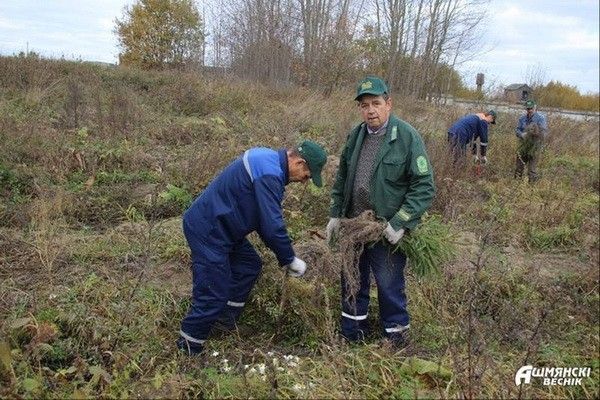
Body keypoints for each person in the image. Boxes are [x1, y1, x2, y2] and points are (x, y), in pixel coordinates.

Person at [177, 140, 328, 355]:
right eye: (307, 175)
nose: (305, 181)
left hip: (225, 228)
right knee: (212, 292)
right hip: (209, 229)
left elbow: (261, 218)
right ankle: (188, 349)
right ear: (299, 162)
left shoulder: (268, 160)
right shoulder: (269, 173)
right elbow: (272, 225)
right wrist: (289, 259)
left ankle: (223, 322)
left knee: (249, 265)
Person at [325, 76, 435, 349]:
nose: (370, 110)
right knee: (352, 281)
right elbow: (342, 178)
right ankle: (352, 334)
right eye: (364, 105)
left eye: (376, 103)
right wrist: (336, 214)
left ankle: (396, 339)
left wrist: (401, 222)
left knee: (389, 284)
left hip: (385, 230)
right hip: (354, 226)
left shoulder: (407, 137)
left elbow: (423, 186)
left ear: (389, 104)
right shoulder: (356, 135)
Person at [514, 99, 548, 183]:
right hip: (523, 146)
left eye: (531, 108)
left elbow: (544, 134)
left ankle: (532, 189)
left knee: (532, 170)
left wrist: (534, 133)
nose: (529, 110)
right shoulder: (522, 118)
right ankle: (515, 185)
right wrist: (521, 135)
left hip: (535, 147)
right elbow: (517, 130)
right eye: (528, 109)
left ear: (535, 108)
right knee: (519, 168)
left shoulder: (541, 118)